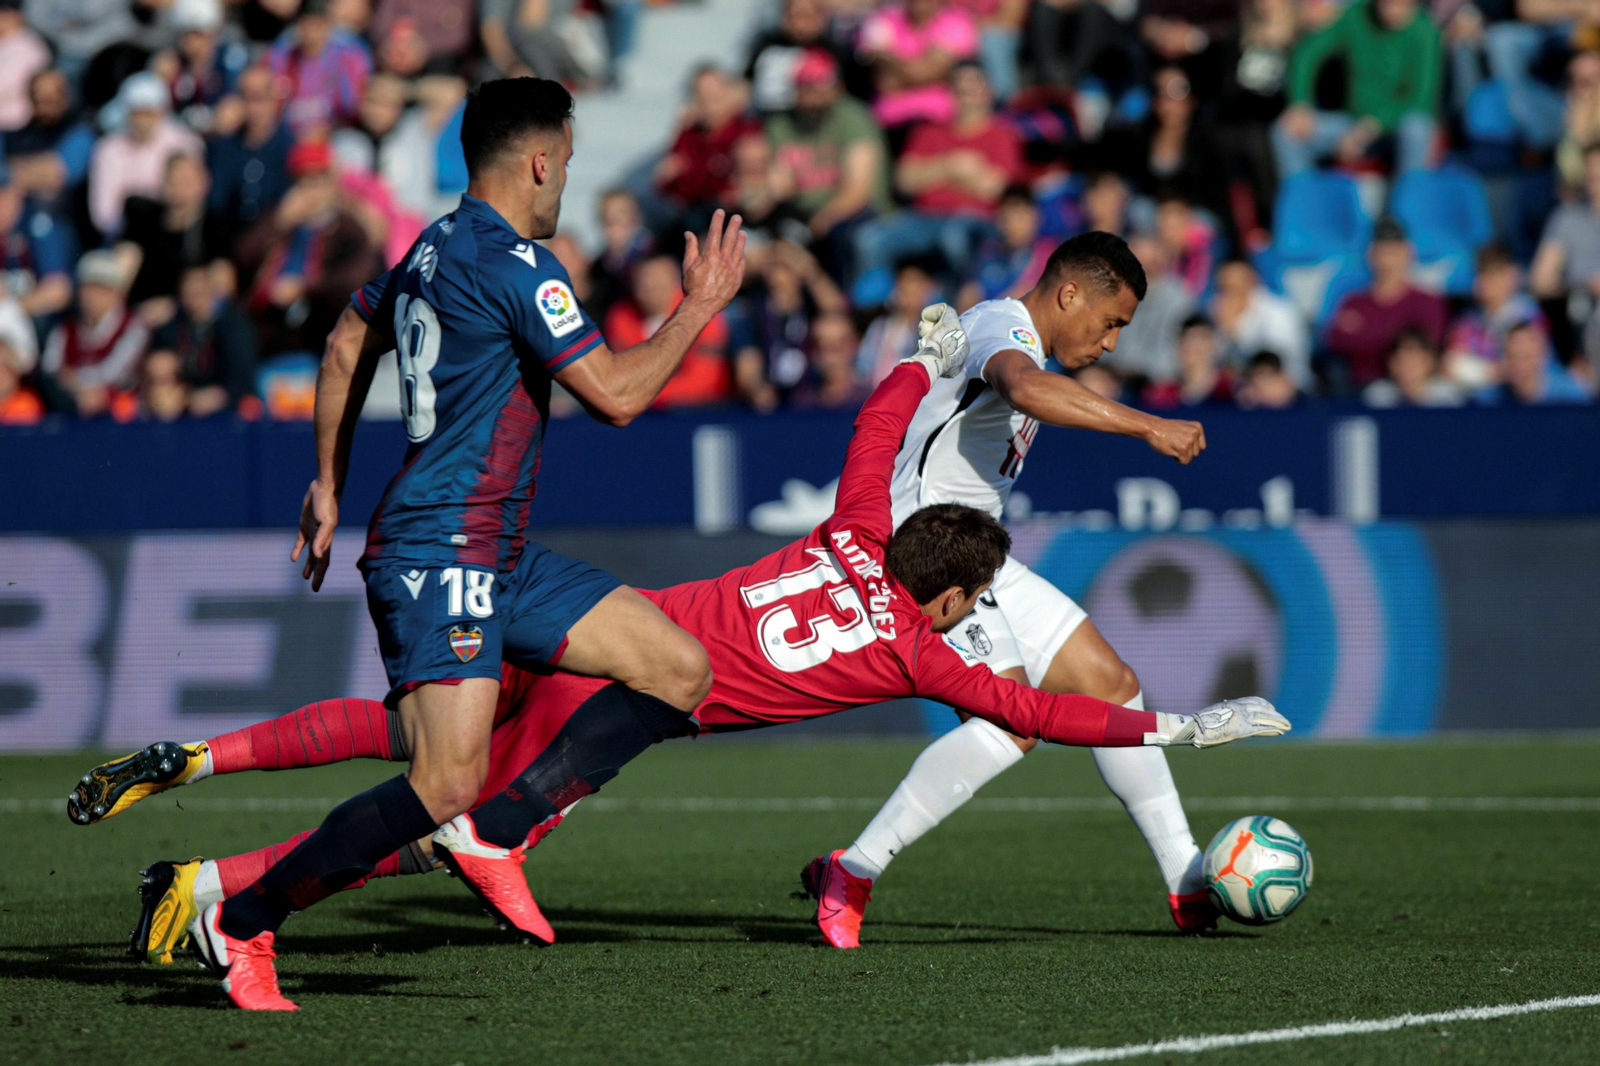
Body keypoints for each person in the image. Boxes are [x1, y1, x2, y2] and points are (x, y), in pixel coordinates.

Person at [101, 317, 1286, 962]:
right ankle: (221, 890)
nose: (973, 618)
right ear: (945, 597)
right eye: (970, 602)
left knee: (423, 741)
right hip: (634, 692)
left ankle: (208, 803)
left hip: (608, 634)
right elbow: (1036, 712)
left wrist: (916, 355)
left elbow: (877, 430)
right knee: (453, 798)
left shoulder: (857, 523)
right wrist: (1173, 722)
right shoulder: (921, 655)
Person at [173, 77, 746, 1012]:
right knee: (442, 781)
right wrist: (699, 306)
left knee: (677, 668)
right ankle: (240, 923)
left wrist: (327, 480)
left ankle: (500, 831)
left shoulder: (435, 244)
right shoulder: (521, 265)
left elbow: (347, 336)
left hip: (498, 552)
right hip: (442, 551)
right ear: (540, 160)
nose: (566, 173)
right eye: (566, 155)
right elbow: (620, 396)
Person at [815, 232, 1225, 949]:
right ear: (1068, 294)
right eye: (1111, 320)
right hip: (926, 553)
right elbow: (1027, 389)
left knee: (1110, 682)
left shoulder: (1028, 343)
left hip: (975, 551)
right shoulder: (999, 328)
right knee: (1013, 723)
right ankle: (852, 871)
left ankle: (1187, 881)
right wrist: (1147, 426)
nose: (1110, 341)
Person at [855, 62, 1022, 278]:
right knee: (869, 239)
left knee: (953, 239)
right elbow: (904, 180)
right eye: (960, 89)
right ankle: (875, 307)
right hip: (922, 217)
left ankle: (957, 308)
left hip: (976, 219)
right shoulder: (928, 131)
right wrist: (954, 167)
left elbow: (997, 189)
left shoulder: (1002, 134)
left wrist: (931, 173)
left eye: (974, 88)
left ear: (989, 92)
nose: (967, 95)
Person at [235, 141, 385, 358]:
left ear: (331, 184)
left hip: (324, 322)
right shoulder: (281, 220)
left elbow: (357, 277)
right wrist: (279, 221)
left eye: (317, 181)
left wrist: (306, 287)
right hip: (273, 325)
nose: (310, 191)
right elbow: (243, 255)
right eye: (303, 182)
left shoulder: (345, 226)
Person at [1273, 0, 1441, 177]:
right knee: (1286, 131)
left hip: (1394, 129)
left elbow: (1420, 100)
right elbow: (1307, 54)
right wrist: (1299, 103)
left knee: (1416, 128)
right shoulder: (1356, 16)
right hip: (1351, 121)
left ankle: (1410, 200)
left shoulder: (1425, 32)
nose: (1393, 9)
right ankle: (1304, 200)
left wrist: (1371, 126)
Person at [765, 49, 890, 269]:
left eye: (822, 86)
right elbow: (780, 185)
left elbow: (858, 191)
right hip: (800, 213)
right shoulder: (780, 124)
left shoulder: (853, 117)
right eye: (809, 87)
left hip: (855, 213)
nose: (816, 95)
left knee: (843, 238)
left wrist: (821, 220)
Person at [1325, 217, 1449, 391]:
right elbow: (1336, 341)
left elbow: (1429, 347)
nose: (1387, 261)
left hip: (1418, 390)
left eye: (1393, 252)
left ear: (1408, 253)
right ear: (1371, 254)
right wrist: (1398, 340)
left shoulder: (1427, 302)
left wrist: (1367, 336)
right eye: (1382, 252)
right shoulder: (1354, 302)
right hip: (1361, 388)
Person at [602, 254, 733, 408]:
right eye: (644, 284)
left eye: (659, 283)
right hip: (641, 415)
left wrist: (641, 394)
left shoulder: (701, 313)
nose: (652, 291)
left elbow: (706, 380)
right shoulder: (621, 317)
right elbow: (622, 378)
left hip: (703, 410)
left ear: (677, 283)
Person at [88, 73, 206, 238]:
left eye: (149, 113)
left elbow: (194, 196)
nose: (143, 122)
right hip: (126, 234)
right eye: (138, 113)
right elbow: (103, 213)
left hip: (175, 232)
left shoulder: (185, 144)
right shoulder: (108, 149)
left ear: (162, 112)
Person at [119, 153, 232, 318]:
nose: (180, 188)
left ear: (204, 183)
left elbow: (222, 284)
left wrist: (176, 309)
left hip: (186, 317)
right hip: (140, 314)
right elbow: (124, 264)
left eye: (187, 181)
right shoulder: (145, 219)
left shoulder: (215, 227)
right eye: (174, 181)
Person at [40, 250, 149, 417]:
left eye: (100, 289)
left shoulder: (133, 325)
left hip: (118, 410)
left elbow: (117, 372)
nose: (91, 296)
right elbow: (51, 369)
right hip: (73, 405)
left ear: (116, 293)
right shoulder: (65, 328)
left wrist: (76, 379)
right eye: (86, 289)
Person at [654, 66, 763, 229]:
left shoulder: (747, 132)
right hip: (693, 217)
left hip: (737, 220)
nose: (709, 104)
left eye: (715, 96)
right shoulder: (689, 134)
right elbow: (670, 182)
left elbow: (752, 186)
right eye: (701, 97)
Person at [147, 263, 259, 416]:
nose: (194, 299)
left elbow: (242, 376)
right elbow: (160, 362)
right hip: (183, 403)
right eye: (188, 293)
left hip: (227, 409)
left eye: (199, 293)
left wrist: (220, 396)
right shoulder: (173, 327)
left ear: (211, 291)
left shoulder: (233, 326)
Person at [856, 0, 978, 136]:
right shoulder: (883, 18)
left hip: (936, 121)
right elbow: (883, 81)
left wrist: (888, 59)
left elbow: (925, 72)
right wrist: (916, 68)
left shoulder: (955, 20)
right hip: (887, 121)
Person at [1445, 243, 1549, 389]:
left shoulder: (1529, 316)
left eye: (1491, 275)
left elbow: (1530, 367)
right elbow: (1451, 367)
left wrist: (1475, 370)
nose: (1481, 283)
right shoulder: (1467, 321)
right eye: (1479, 275)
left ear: (1510, 276)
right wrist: (1494, 373)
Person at [207, 66, 295, 233]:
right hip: (229, 234)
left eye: (258, 98)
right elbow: (216, 202)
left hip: (271, 237)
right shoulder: (225, 144)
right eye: (245, 99)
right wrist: (217, 131)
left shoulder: (288, 145)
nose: (252, 108)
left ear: (272, 100)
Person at [267, 0, 373, 135]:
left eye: (317, 25)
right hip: (290, 135)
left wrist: (327, 130)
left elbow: (353, 108)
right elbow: (273, 105)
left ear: (328, 25)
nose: (311, 32)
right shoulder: (283, 55)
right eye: (305, 24)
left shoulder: (349, 56)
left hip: (335, 135)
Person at [1208, 255, 1310, 386]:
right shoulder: (1214, 311)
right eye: (1225, 288)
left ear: (1253, 281)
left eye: (1236, 287)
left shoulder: (1279, 312)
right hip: (1240, 391)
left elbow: (1274, 361)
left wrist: (1236, 331)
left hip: (1288, 391)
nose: (1231, 295)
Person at [959, 185, 1053, 308]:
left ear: (1036, 217)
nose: (1012, 226)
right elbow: (968, 296)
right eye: (1006, 218)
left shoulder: (1048, 254)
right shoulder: (987, 251)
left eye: (1020, 218)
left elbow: (1024, 295)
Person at [1143, 314, 1235, 408]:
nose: (1194, 350)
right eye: (1189, 345)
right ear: (1178, 348)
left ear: (1213, 346)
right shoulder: (1162, 397)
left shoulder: (1231, 391)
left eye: (1201, 344)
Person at [1362, 327, 1464, 407]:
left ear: (1430, 362)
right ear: (1391, 364)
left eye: (1414, 362)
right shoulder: (1376, 396)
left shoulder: (1448, 398)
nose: (1408, 368)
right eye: (1402, 361)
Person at [0, 0, 49, 133]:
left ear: (15, 15)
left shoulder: (29, 47)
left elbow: (4, 85)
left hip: (14, 126)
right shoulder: (6, 42)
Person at [1235, 349, 1301, 408]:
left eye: (1268, 375)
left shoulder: (1303, 404)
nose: (1261, 382)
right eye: (1259, 374)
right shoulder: (1241, 403)